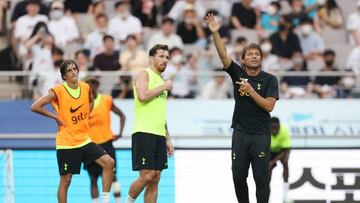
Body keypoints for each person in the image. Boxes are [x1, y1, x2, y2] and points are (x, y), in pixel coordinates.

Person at [206, 14, 279, 203]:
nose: (254, 57)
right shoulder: (237, 74)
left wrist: (252, 91)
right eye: (250, 54)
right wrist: (215, 33)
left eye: (257, 54)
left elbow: (269, 106)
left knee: (261, 179)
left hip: (261, 135)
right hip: (240, 133)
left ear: (261, 59)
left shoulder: (270, 79)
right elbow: (223, 56)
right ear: (243, 59)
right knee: (238, 178)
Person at [30, 60, 115, 203]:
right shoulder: (58, 91)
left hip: (84, 140)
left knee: (109, 163)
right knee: (66, 180)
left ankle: (105, 200)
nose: (74, 72)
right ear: (64, 76)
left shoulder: (86, 87)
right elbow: (35, 106)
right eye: (69, 70)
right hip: (67, 142)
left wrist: (87, 112)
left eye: (75, 68)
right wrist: (55, 117)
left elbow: (91, 100)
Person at [125, 44, 174, 203]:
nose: (165, 60)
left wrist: (168, 138)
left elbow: (161, 113)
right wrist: (164, 87)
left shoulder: (161, 81)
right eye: (161, 56)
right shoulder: (143, 74)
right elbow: (143, 96)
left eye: (167, 57)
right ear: (151, 58)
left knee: (156, 177)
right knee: (146, 175)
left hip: (159, 133)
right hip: (144, 131)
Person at [85, 77, 126, 203]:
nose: (91, 87)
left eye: (93, 84)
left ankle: (118, 201)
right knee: (93, 178)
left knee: (112, 175)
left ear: (97, 86)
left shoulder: (106, 100)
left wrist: (120, 133)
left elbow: (122, 115)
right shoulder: (82, 104)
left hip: (106, 143)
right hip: (89, 145)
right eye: (88, 84)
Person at [269, 117, 291, 203]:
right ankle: (267, 196)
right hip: (269, 151)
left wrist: (273, 162)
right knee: (267, 170)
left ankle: (285, 195)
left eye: (276, 128)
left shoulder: (284, 131)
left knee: (285, 162)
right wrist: (270, 163)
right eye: (272, 128)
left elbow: (286, 149)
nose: (274, 130)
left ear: (279, 126)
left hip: (282, 151)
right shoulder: (264, 131)